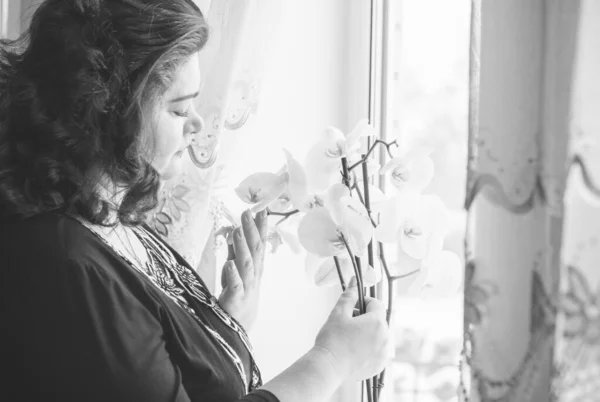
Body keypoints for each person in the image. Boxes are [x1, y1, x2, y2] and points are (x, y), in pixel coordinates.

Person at [0, 1, 392, 401]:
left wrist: (216, 332)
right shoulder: (69, 268)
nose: (197, 123)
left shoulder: (115, 224)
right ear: (108, 112)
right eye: (179, 109)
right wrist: (330, 360)